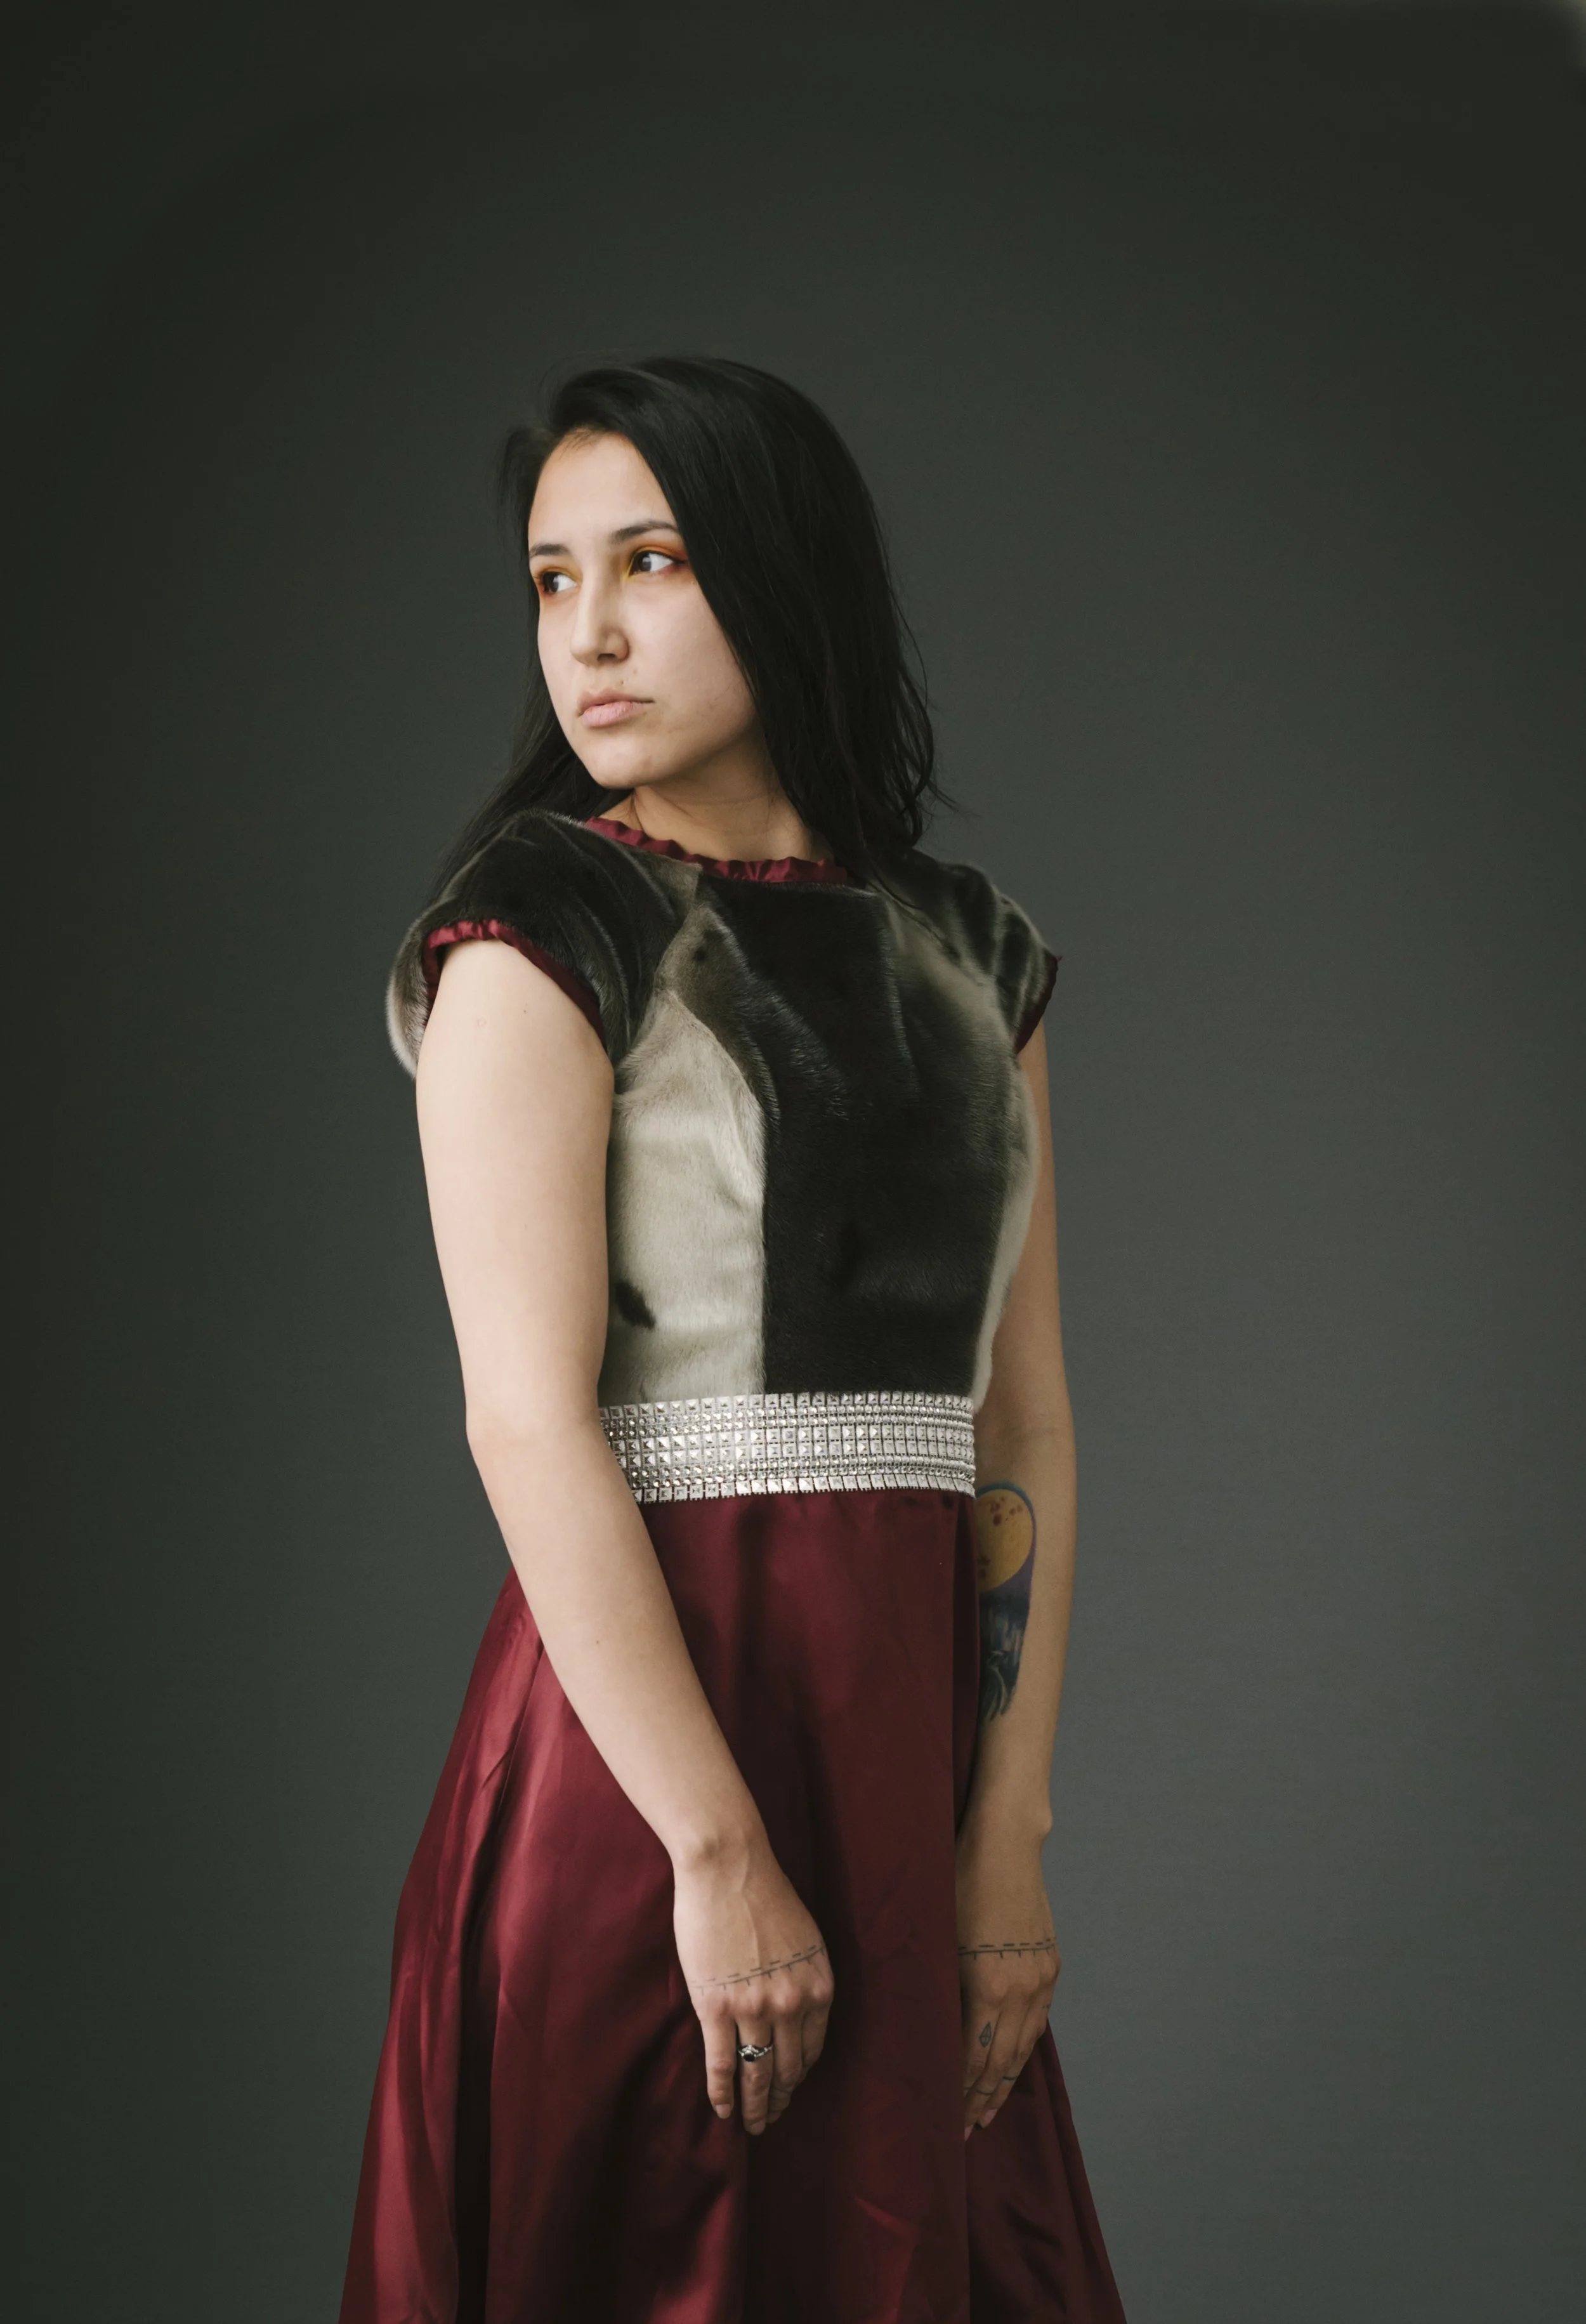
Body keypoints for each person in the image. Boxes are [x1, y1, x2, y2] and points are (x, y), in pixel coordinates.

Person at [339, 355, 1127, 2323]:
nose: (586, 634)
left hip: (908, 1755)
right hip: (649, 1762)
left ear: (778, 573)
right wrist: (711, 1849)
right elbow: (525, 1418)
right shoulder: (535, 925)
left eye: (651, 562)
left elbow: (1018, 1408)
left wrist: (1005, 1833)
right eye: (546, 581)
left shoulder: (972, 948)